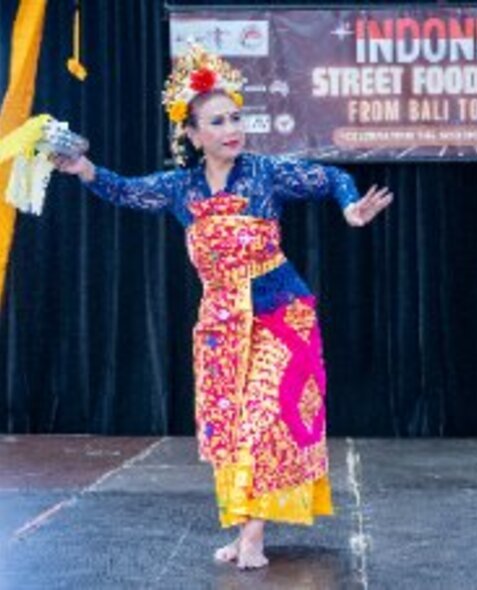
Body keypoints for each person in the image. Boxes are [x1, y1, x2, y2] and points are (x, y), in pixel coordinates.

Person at [53, 43, 393, 569]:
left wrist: (350, 208)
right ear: (192, 135)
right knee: (230, 429)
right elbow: (123, 190)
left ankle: (254, 537)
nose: (232, 128)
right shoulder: (179, 187)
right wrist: (82, 168)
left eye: (236, 116)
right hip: (221, 325)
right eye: (217, 121)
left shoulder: (265, 174)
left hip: (282, 315)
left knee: (262, 420)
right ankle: (241, 529)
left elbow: (332, 179)